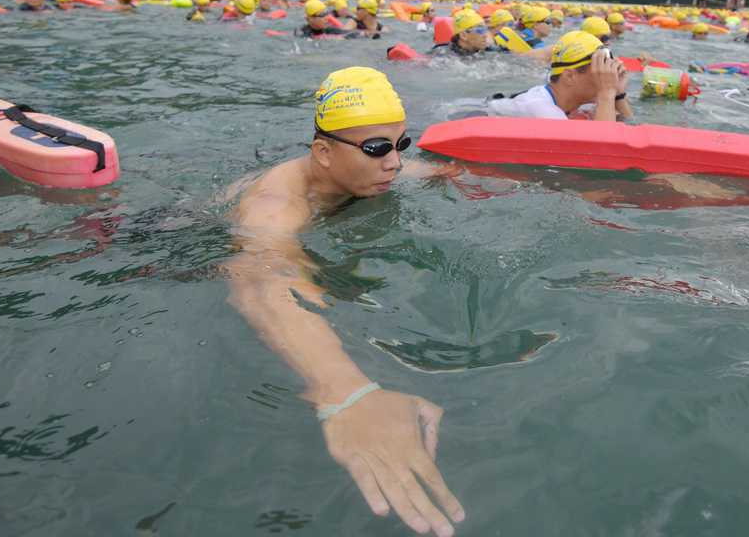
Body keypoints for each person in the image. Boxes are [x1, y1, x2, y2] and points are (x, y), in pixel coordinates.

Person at [226, 67, 465, 537]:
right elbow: (261, 277)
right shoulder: (274, 207)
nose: (394, 163)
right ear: (323, 152)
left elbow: (435, 171)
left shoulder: (371, 172)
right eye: (377, 149)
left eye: (401, 145)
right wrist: (343, 391)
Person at [487, 31, 632, 121]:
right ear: (570, 76)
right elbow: (602, 153)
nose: (607, 76)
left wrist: (618, 94)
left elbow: (628, 126)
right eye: (599, 70)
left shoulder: (580, 102)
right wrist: (606, 93)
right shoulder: (543, 112)